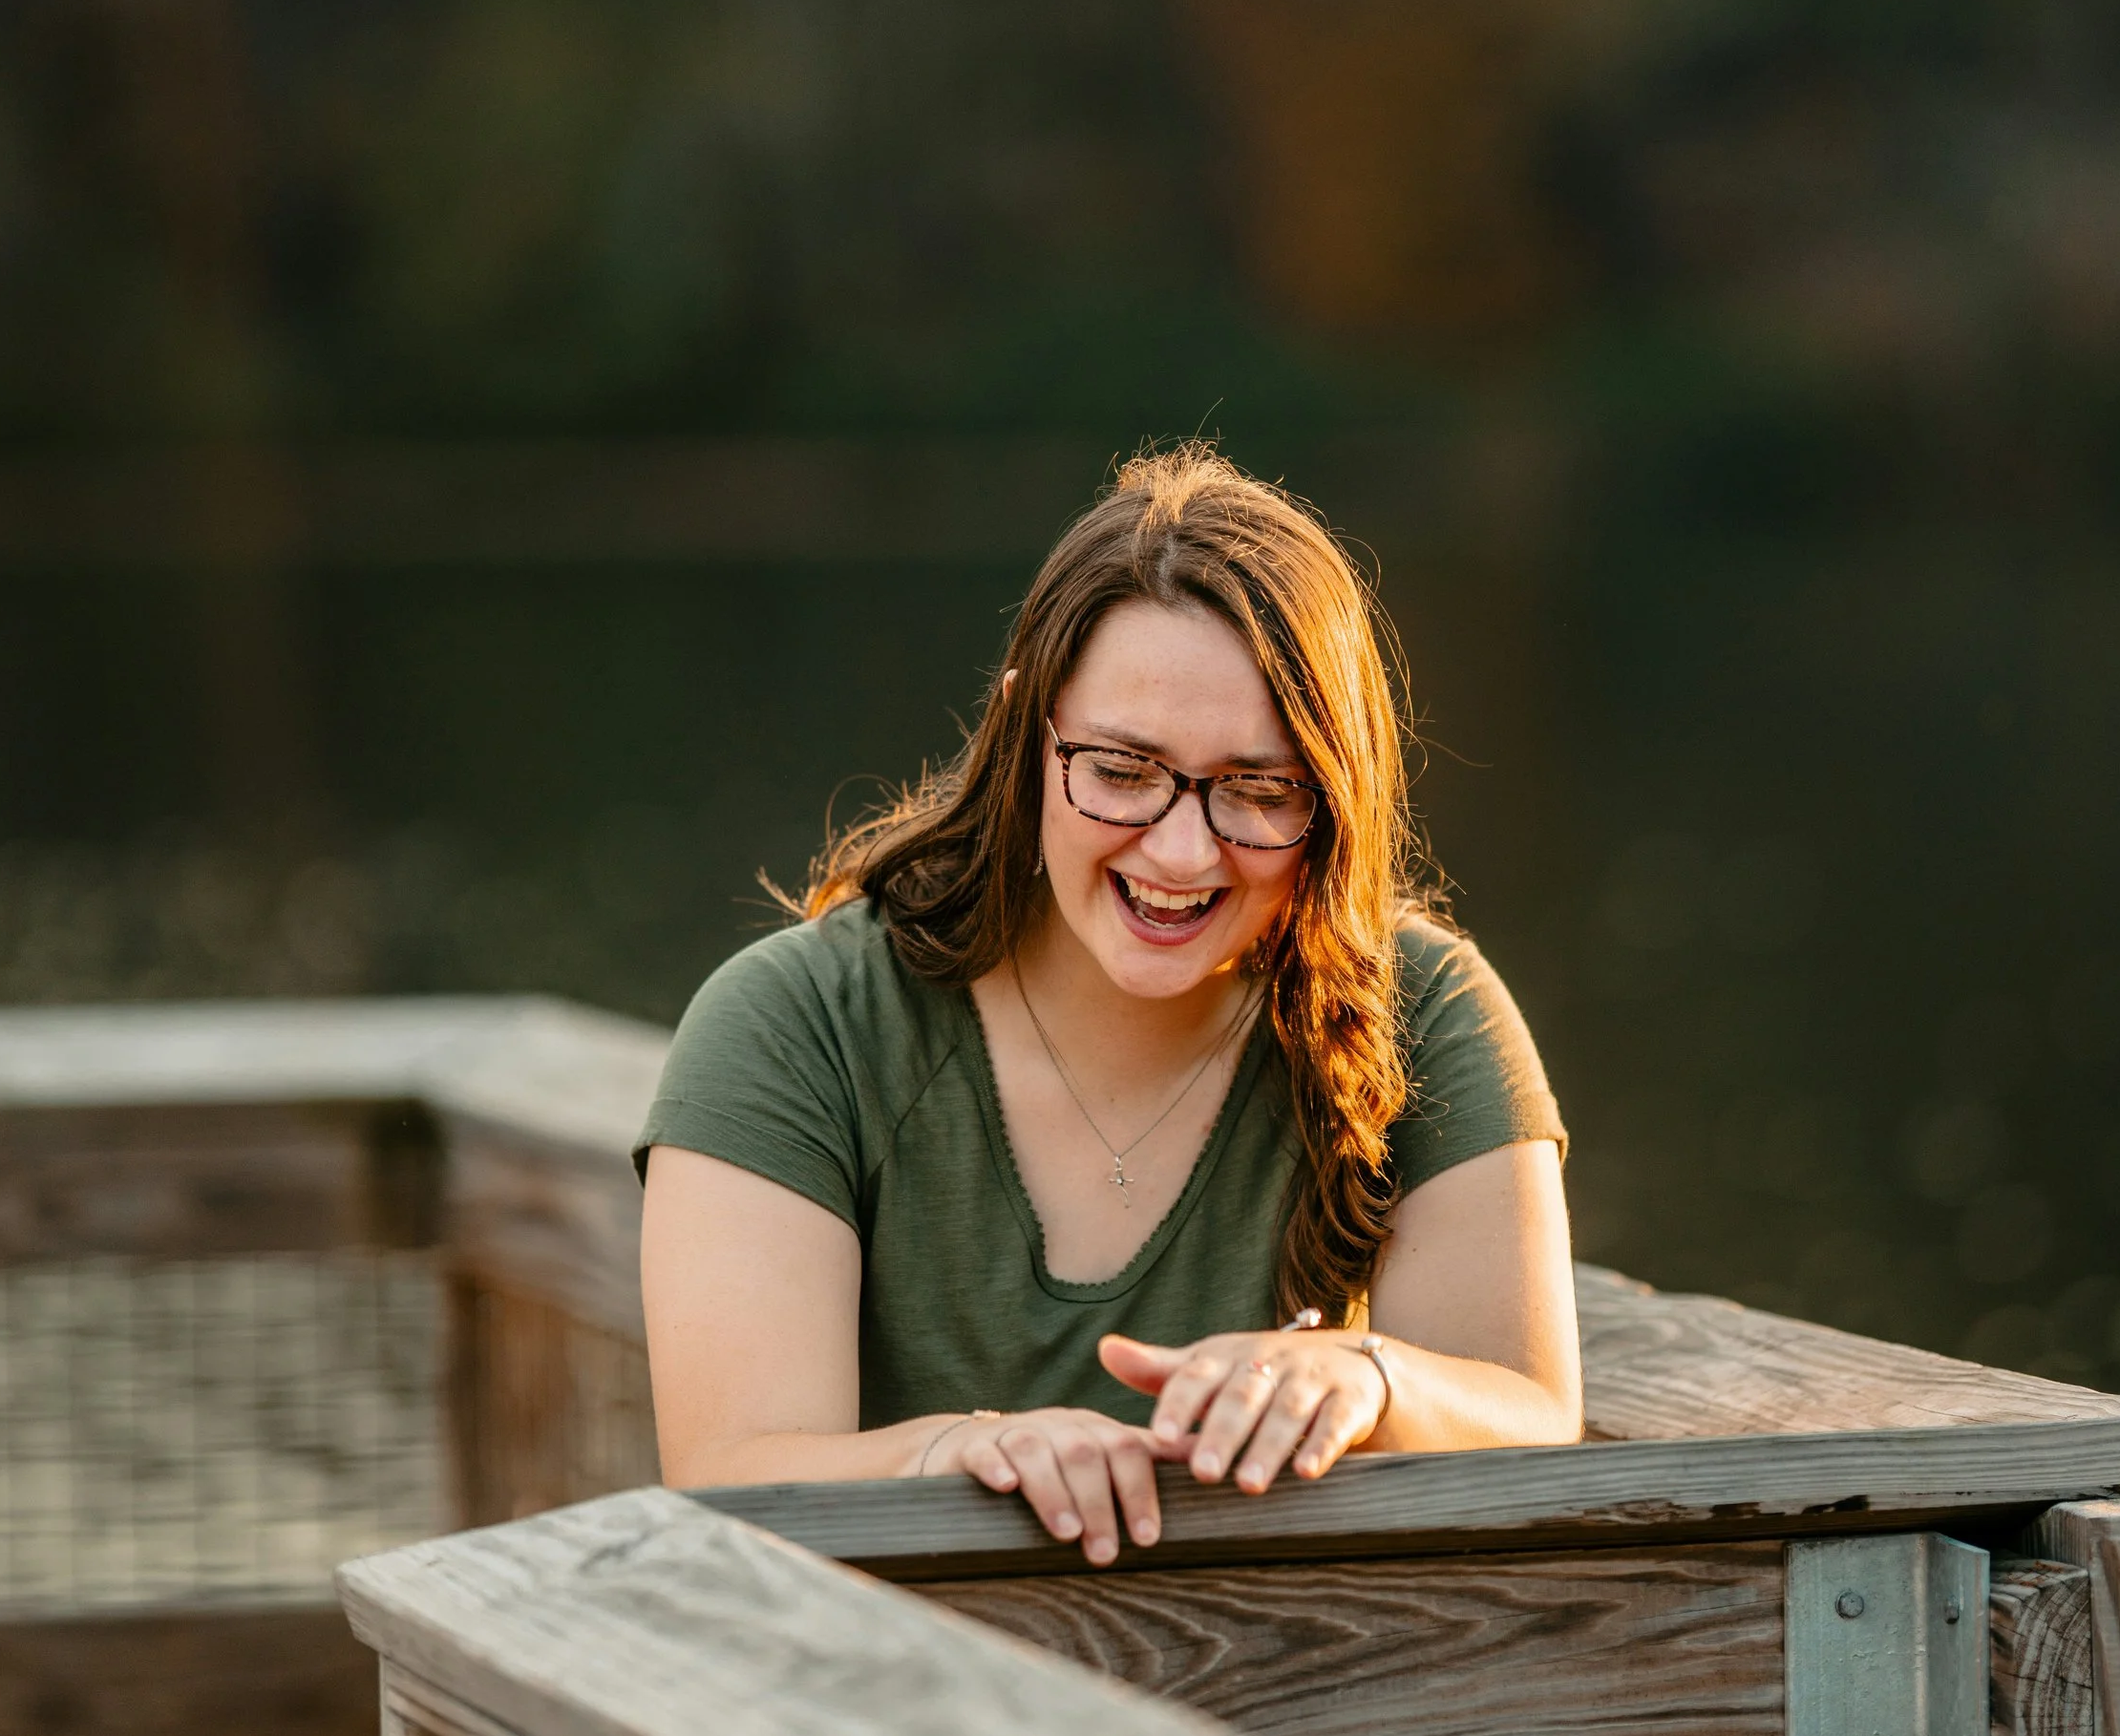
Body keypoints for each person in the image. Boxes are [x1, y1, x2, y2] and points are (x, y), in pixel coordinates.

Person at [637, 446, 1581, 1562]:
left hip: (1302, 1711)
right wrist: (965, 1453)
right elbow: (730, 1474)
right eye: (1124, 770)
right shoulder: (794, 1024)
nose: (1182, 851)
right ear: (1024, 735)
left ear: (1335, 797)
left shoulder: (1430, 1007)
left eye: (1259, 788)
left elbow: (1530, 1415)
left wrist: (1368, 1378)